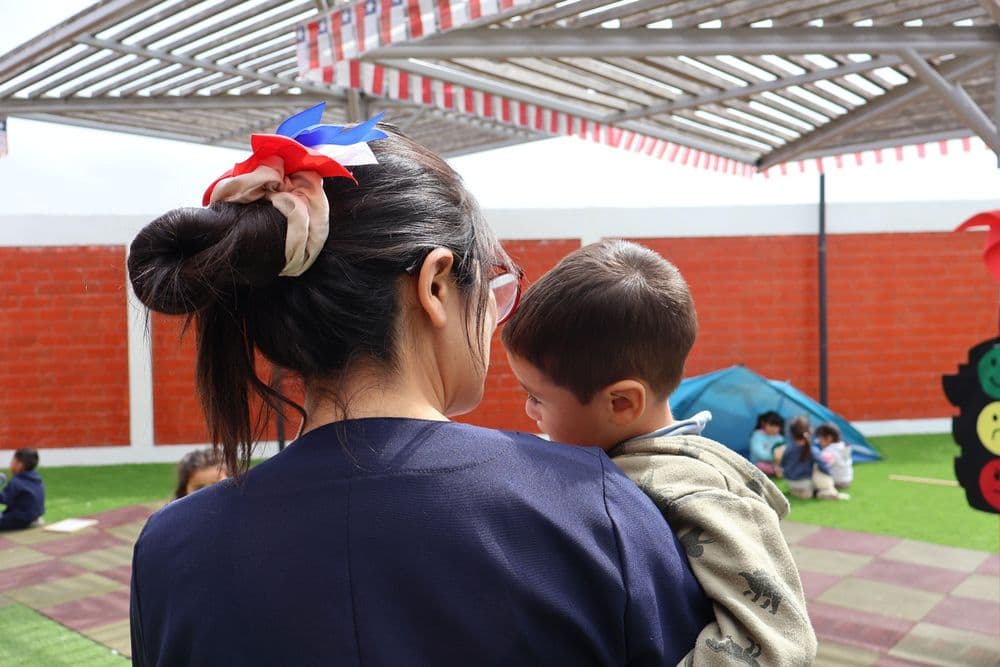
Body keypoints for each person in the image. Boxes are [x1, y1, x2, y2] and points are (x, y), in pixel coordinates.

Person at [126, 110, 711, 666]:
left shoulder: (171, 551)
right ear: (434, 284)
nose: (493, 318)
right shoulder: (594, 508)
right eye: (492, 289)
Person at [501, 240, 817, 666]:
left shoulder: (694, 493)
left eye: (537, 397)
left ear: (621, 403)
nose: (528, 410)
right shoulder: (627, 456)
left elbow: (775, 646)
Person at [780, 416, 848, 500]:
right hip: (806, 482)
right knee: (818, 469)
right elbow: (823, 465)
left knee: (807, 479)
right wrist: (829, 475)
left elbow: (783, 464)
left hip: (790, 482)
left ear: (791, 433)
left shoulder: (788, 448)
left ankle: (799, 492)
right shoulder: (813, 450)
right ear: (809, 431)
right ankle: (826, 491)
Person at [0, 448, 45, 531]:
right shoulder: (37, 478)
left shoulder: (16, 482)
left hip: (18, 519)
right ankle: (33, 521)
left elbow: (3, 498)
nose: (10, 464)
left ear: (19, 465)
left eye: (12, 462)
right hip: (34, 515)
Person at [815, 422, 853, 490]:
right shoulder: (844, 446)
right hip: (847, 480)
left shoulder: (828, 451)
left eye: (820, 438)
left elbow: (823, 466)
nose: (818, 441)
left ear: (829, 438)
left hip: (836, 482)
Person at [749, 410, 786, 477]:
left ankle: (777, 471)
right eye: (771, 425)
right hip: (759, 462)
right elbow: (759, 454)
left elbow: (783, 451)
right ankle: (775, 472)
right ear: (763, 423)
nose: (773, 428)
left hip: (775, 464)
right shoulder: (757, 435)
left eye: (776, 426)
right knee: (760, 466)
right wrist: (775, 456)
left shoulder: (779, 438)